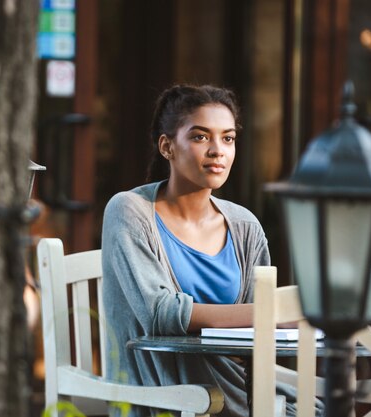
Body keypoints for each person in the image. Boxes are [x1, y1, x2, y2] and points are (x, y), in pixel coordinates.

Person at [101, 84, 303, 417]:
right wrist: (274, 313)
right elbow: (160, 314)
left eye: (228, 138)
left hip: (241, 396)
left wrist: (268, 317)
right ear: (167, 146)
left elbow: (257, 343)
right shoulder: (128, 211)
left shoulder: (244, 226)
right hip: (169, 401)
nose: (217, 151)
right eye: (200, 137)